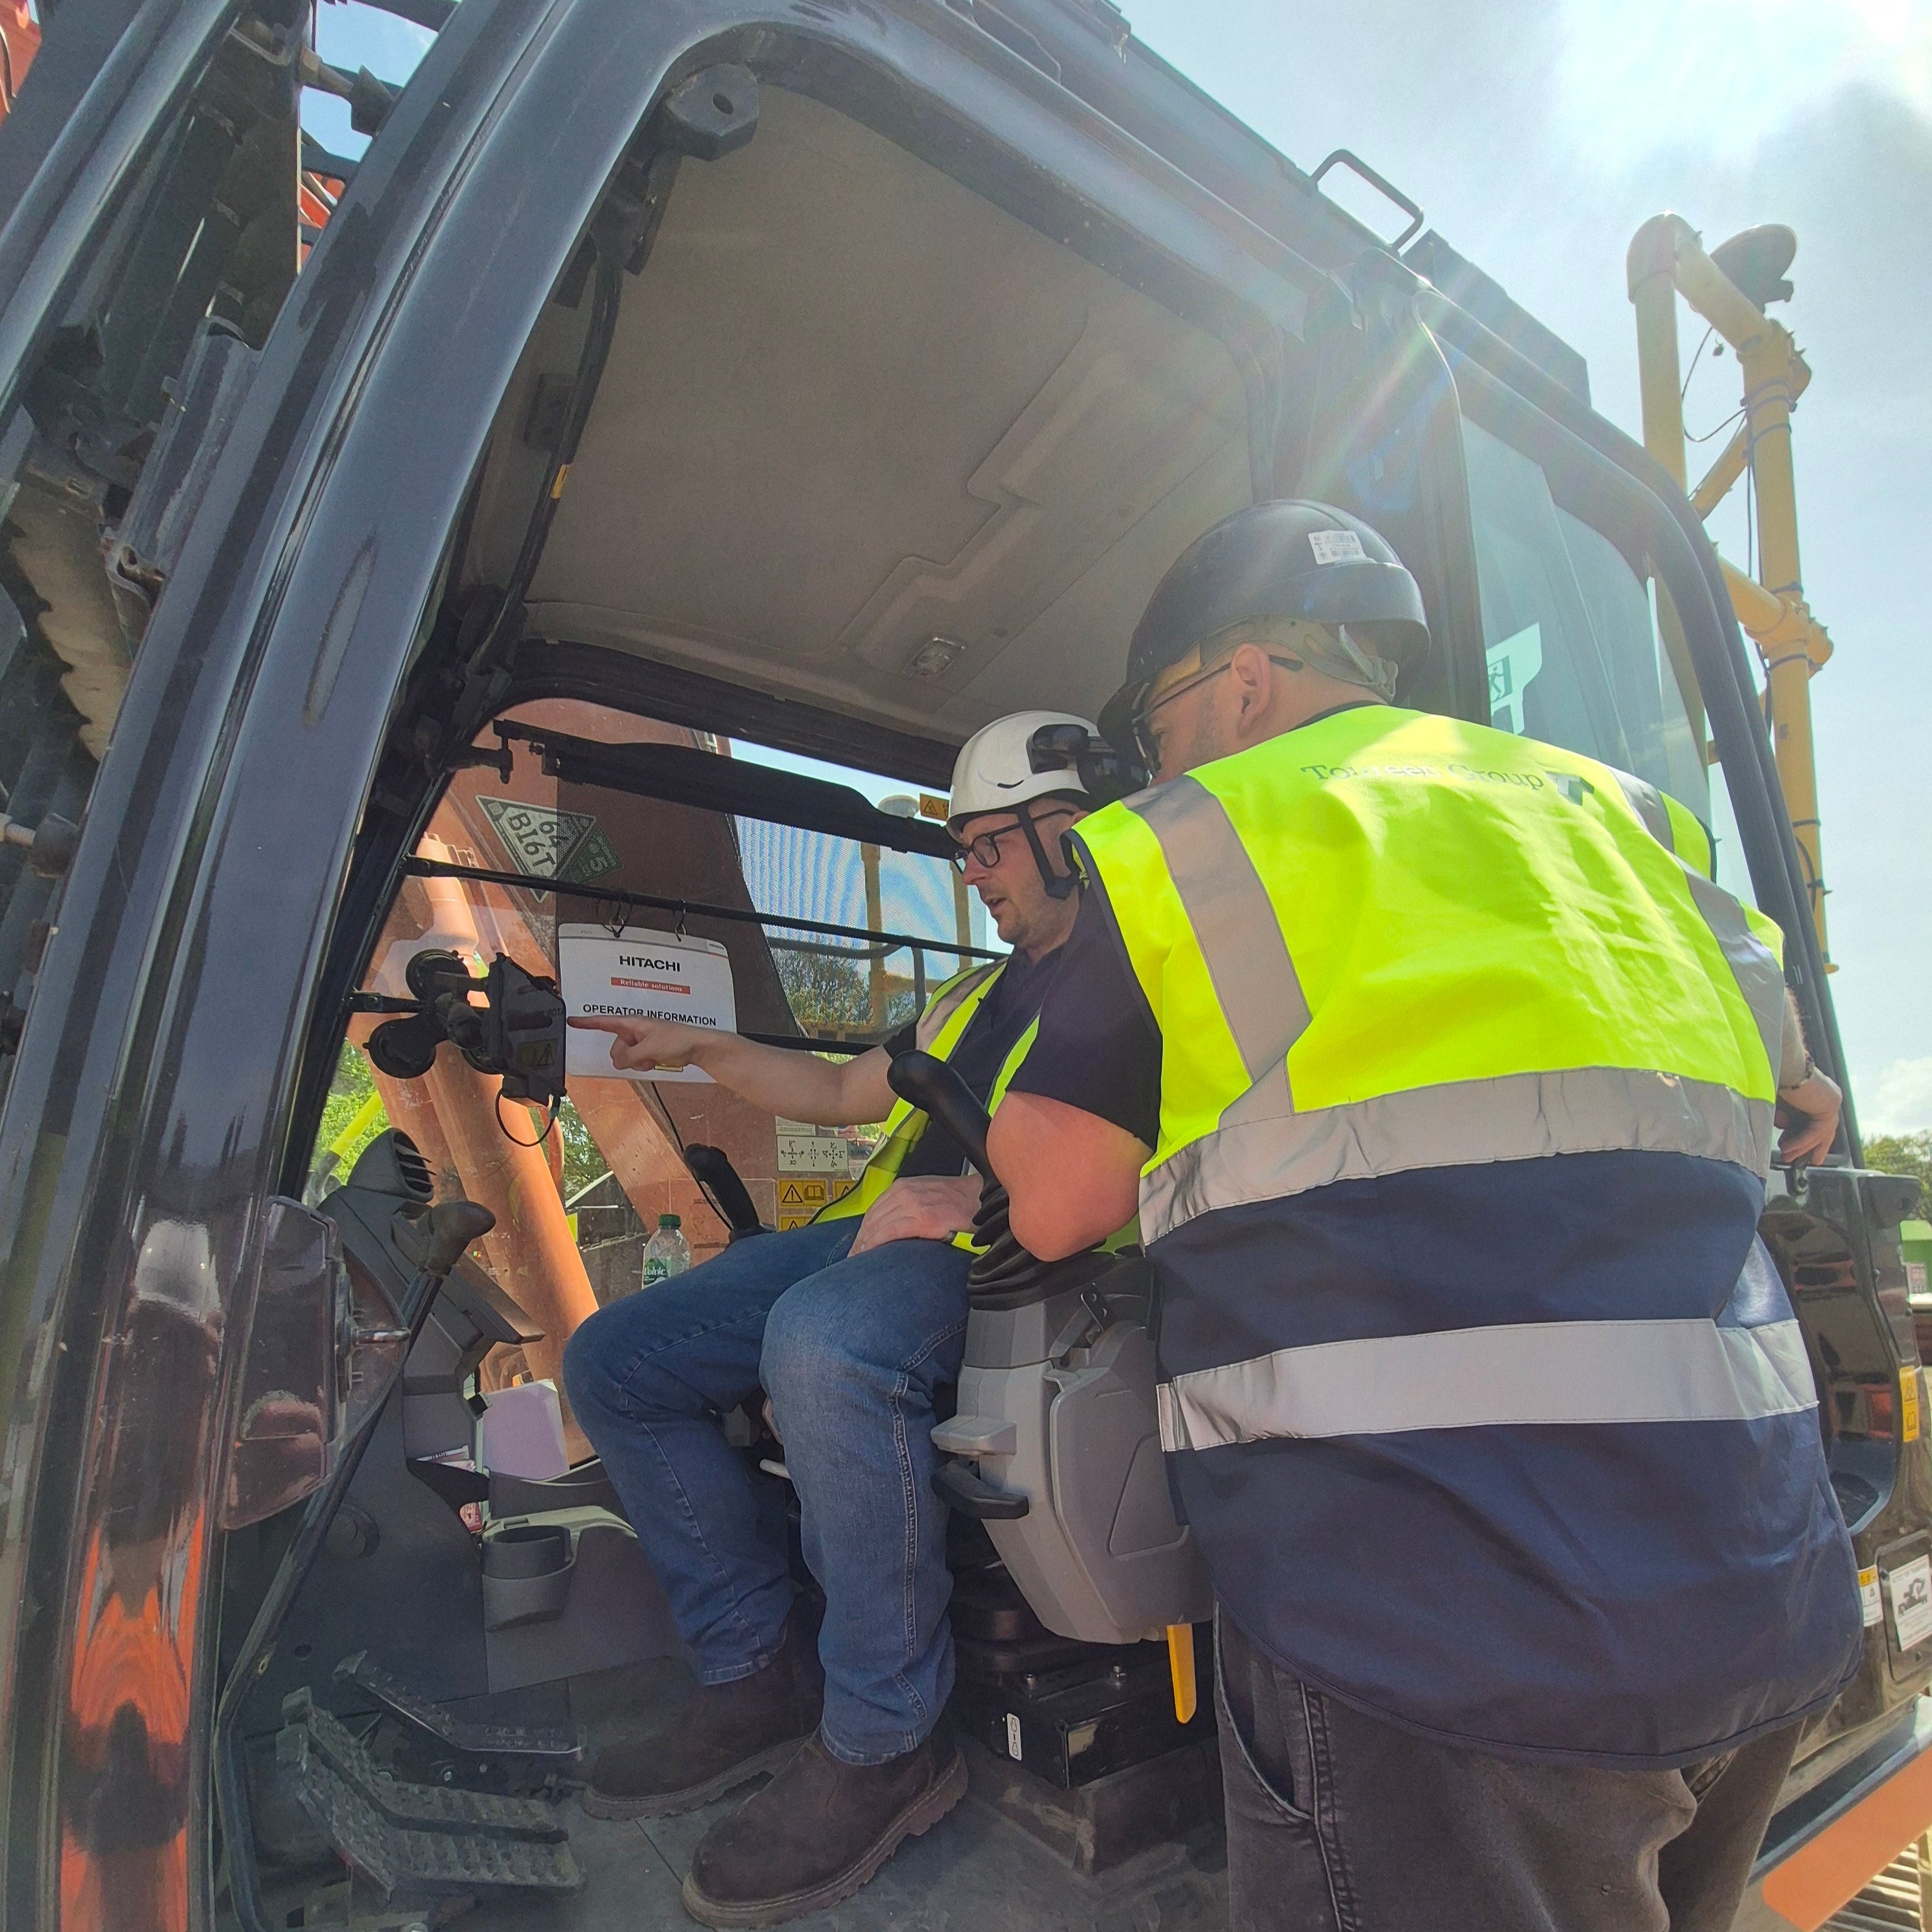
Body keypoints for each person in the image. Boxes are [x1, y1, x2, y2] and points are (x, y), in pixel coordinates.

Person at [989, 500, 1859, 1932]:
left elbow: (1057, 1198)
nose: (1159, 762)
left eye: (1158, 723)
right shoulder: (1625, 820)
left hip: (1440, 1642)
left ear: (1243, 680)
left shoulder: (1195, 844)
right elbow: (1799, 1095)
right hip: (1756, 1583)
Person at [561, 712, 1102, 1929]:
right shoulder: (977, 994)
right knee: (615, 1358)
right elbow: (840, 1089)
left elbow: (1147, 1152)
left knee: (823, 1342)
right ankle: (755, 1666)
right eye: (963, 851)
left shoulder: (1150, 978)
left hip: (1007, 1249)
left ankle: (887, 1736)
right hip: (884, 1227)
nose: (974, 875)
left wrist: (973, 1189)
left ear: (1067, 827)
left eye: (989, 849)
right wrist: (702, 1047)